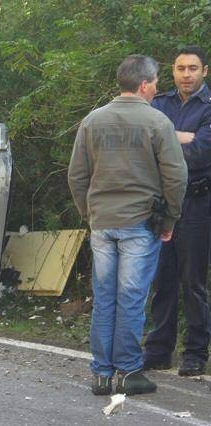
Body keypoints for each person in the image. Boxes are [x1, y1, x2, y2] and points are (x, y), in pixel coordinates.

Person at [68, 55, 187, 395]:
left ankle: (102, 375)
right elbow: (175, 176)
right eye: (156, 82)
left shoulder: (93, 121)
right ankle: (130, 371)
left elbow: (77, 175)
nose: (158, 87)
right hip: (140, 222)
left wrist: (90, 214)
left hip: (103, 222)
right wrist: (170, 219)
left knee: (104, 299)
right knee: (131, 298)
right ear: (145, 84)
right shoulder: (157, 122)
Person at [143, 45, 211, 376]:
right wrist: (181, 137)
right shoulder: (159, 103)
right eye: (181, 68)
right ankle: (158, 350)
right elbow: (142, 146)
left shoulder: (210, 107)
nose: (187, 74)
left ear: (204, 72)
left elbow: (201, 154)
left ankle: (196, 352)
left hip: (198, 203)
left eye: (193, 68)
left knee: (193, 280)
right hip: (161, 204)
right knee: (162, 278)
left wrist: (166, 140)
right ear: (172, 71)